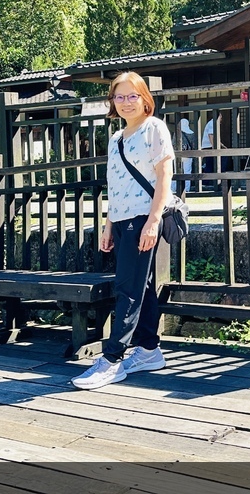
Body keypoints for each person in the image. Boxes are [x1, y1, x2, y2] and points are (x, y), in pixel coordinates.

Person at [72, 72, 173, 390]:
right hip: (122, 221)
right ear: (112, 101)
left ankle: (112, 359)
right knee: (139, 287)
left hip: (143, 218)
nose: (126, 102)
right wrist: (107, 227)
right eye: (120, 96)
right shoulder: (117, 139)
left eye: (133, 96)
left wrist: (154, 220)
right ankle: (149, 350)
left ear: (145, 98)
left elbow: (164, 178)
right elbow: (115, 188)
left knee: (127, 289)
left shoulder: (154, 128)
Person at [179, 117, 195, 193]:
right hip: (188, 155)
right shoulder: (191, 133)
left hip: (178, 155)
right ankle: (187, 188)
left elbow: (173, 144)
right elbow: (194, 145)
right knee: (187, 172)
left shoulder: (178, 132)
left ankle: (175, 188)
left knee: (177, 171)